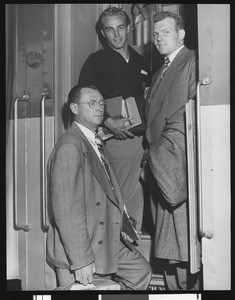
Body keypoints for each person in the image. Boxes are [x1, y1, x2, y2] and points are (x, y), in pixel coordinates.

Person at [46, 84, 151, 290]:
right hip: (81, 244)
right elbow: (66, 209)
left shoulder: (95, 140)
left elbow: (108, 190)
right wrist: (81, 260)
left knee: (140, 272)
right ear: (75, 109)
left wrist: (124, 225)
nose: (99, 108)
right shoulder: (70, 146)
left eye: (101, 103)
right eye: (91, 103)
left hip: (103, 234)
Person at [78, 6, 151, 232]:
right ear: (103, 33)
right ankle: (119, 254)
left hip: (147, 138)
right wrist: (108, 121)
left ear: (129, 28)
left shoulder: (140, 60)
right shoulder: (96, 61)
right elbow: (84, 99)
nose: (117, 34)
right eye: (110, 30)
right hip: (119, 140)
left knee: (140, 193)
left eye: (120, 28)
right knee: (121, 194)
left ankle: (133, 248)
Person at [144, 11, 200, 290]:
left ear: (181, 34)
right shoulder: (157, 74)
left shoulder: (193, 60)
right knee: (168, 247)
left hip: (179, 165)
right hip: (158, 167)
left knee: (182, 246)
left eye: (165, 31)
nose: (158, 38)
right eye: (155, 34)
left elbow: (192, 109)